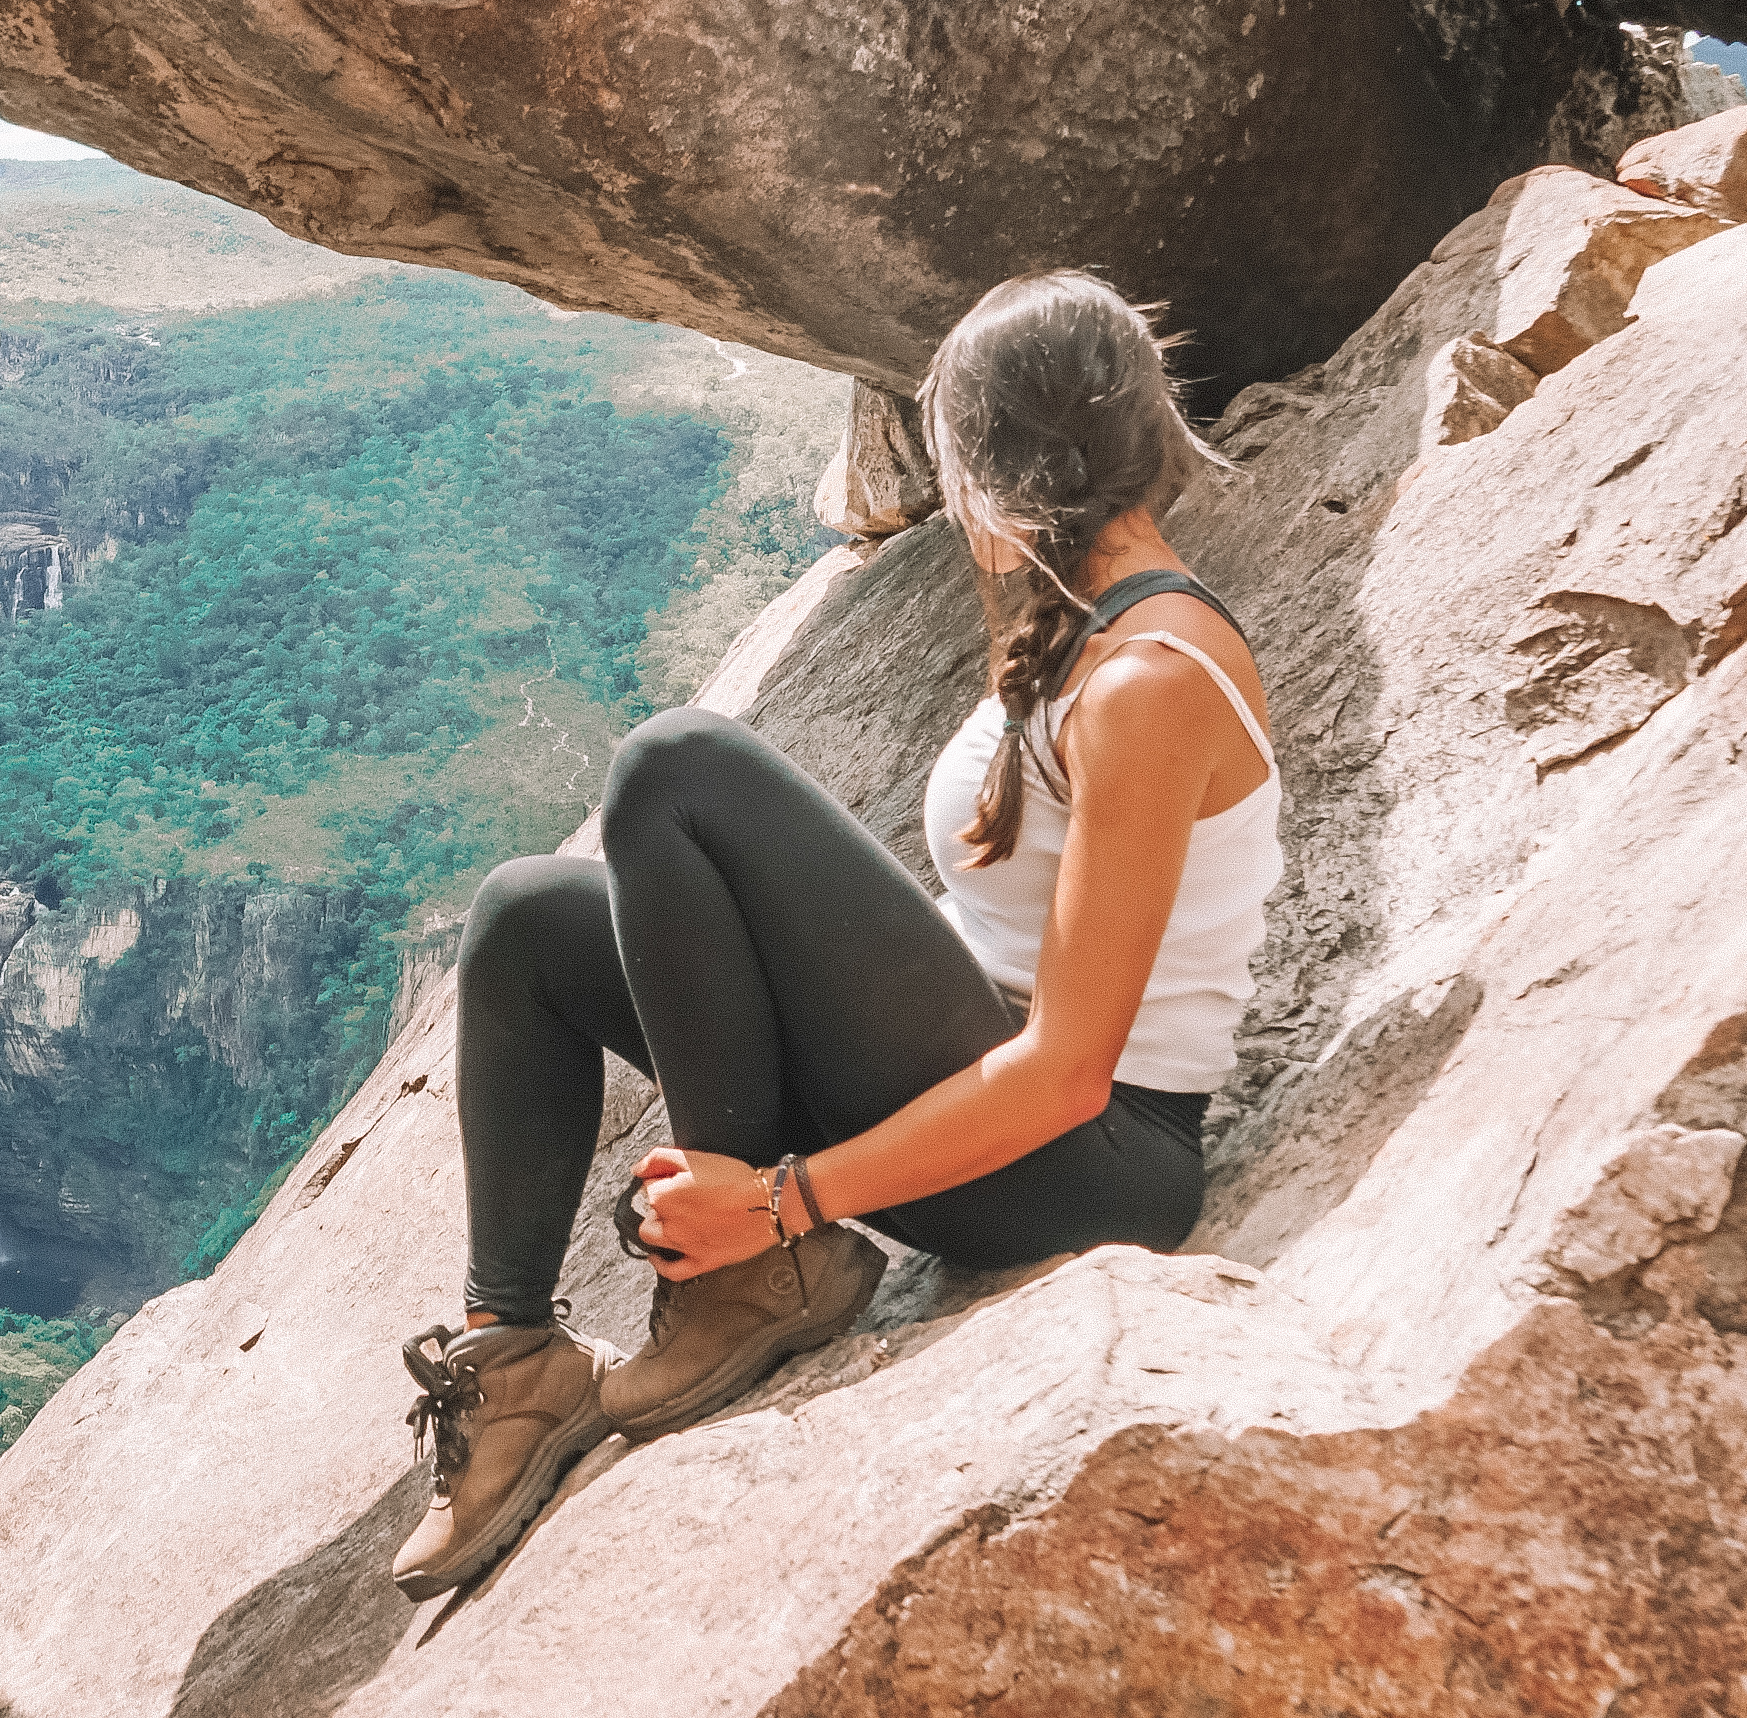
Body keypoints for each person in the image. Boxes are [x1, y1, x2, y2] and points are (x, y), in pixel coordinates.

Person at [392, 270, 1282, 1599]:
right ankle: (514, 1365)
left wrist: (780, 1200)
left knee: (674, 767)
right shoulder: (1083, 626)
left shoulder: (1150, 680)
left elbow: (1068, 1073)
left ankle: (753, 1275)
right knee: (527, 916)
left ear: (995, 472)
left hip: (1082, 1165)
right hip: (969, 1082)